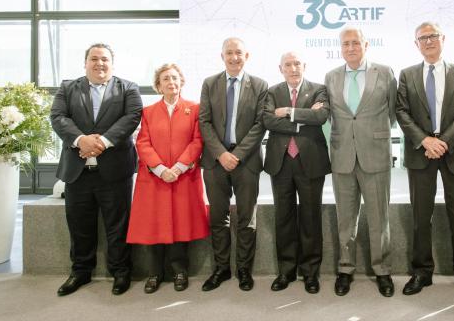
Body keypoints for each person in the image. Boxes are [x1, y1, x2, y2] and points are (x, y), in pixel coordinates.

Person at [396, 22, 454, 300]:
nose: (429, 41)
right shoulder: (407, 74)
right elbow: (402, 111)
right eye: (423, 38)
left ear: (443, 39)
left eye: (433, 36)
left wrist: (442, 141)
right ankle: (422, 272)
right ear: (416, 44)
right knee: (421, 216)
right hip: (421, 152)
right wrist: (425, 141)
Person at [50, 43, 142, 296]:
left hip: (115, 171)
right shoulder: (68, 88)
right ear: (85, 62)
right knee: (79, 225)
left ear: (112, 63)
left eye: (104, 59)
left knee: (118, 225)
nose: (99, 63)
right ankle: (80, 271)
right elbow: (58, 117)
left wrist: (101, 142)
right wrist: (82, 140)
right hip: (77, 172)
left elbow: (132, 117)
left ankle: (121, 272)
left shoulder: (128, 88)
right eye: (94, 59)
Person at [324, 27, 397, 297]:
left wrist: (371, 135)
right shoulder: (331, 77)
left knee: (379, 218)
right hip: (343, 155)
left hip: (375, 153)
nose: (351, 47)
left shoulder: (385, 72)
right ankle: (345, 269)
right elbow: (333, 115)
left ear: (366, 44)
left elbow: (392, 112)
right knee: (345, 218)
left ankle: (382, 270)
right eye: (346, 43)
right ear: (340, 48)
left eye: (356, 42)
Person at [127, 63, 210, 294]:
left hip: (184, 177)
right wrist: (160, 168)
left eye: (174, 77)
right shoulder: (149, 112)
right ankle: (154, 273)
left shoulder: (194, 108)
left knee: (181, 224)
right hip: (155, 178)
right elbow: (142, 142)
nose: (171, 82)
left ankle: (179, 271)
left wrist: (180, 167)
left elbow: (197, 140)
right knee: (154, 224)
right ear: (158, 85)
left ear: (181, 81)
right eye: (165, 79)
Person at [199, 37, 268, 292]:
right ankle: (221, 269)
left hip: (246, 160)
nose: (234, 57)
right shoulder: (210, 84)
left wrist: (236, 154)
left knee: (247, 218)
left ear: (246, 56)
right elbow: (204, 122)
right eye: (229, 53)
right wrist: (220, 154)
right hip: (216, 161)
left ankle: (243, 269)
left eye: (238, 52)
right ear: (222, 56)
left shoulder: (260, 85)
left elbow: (260, 124)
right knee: (218, 217)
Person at [262, 51, 330, 294]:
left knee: (311, 217)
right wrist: (305, 117)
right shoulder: (272, 91)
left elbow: (321, 116)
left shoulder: (320, 89)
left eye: (297, 64)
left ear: (305, 65)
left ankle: (311, 273)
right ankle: (286, 271)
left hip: (310, 161)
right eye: (287, 65)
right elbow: (268, 121)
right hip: (281, 162)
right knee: (284, 217)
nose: (293, 68)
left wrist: (288, 112)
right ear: (281, 68)